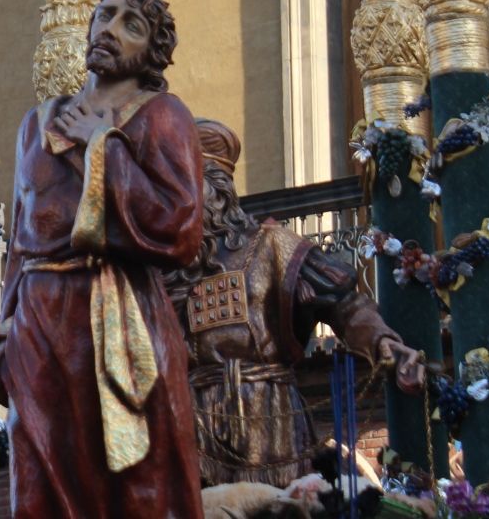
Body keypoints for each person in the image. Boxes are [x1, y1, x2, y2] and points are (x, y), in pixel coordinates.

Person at [0, 0, 205, 518]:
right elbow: (23, 243)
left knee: (136, 485)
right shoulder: (35, 125)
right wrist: (5, 329)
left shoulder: (163, 117)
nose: (110, 28)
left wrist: (104, 144)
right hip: (40, 326)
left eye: (131, 25)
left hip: (118, 320)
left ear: (152, 53)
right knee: (40, 482)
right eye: (105, 15)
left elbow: (181, 226)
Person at [165, 118, 426, 487]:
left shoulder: (272, 246)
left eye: (183, 187)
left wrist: (384, 343)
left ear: (215, 190)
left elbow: (343, 305)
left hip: (266, 417)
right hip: (191, 421)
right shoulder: (169, 270)